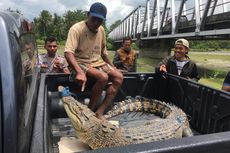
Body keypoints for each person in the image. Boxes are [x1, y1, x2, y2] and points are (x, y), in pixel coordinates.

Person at [64, 2, 123, 120]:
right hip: (79, 62)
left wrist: (113, 67)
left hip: (97, 62)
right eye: (94, 19)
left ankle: (99, 112)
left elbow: (104, 54)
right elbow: (68, 53)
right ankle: (89, 112)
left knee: (119, 77)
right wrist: (79, 72)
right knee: (103, 77)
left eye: (100, 21)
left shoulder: (101, 30)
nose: (96, 23)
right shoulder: (77, 29)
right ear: (88, 15)